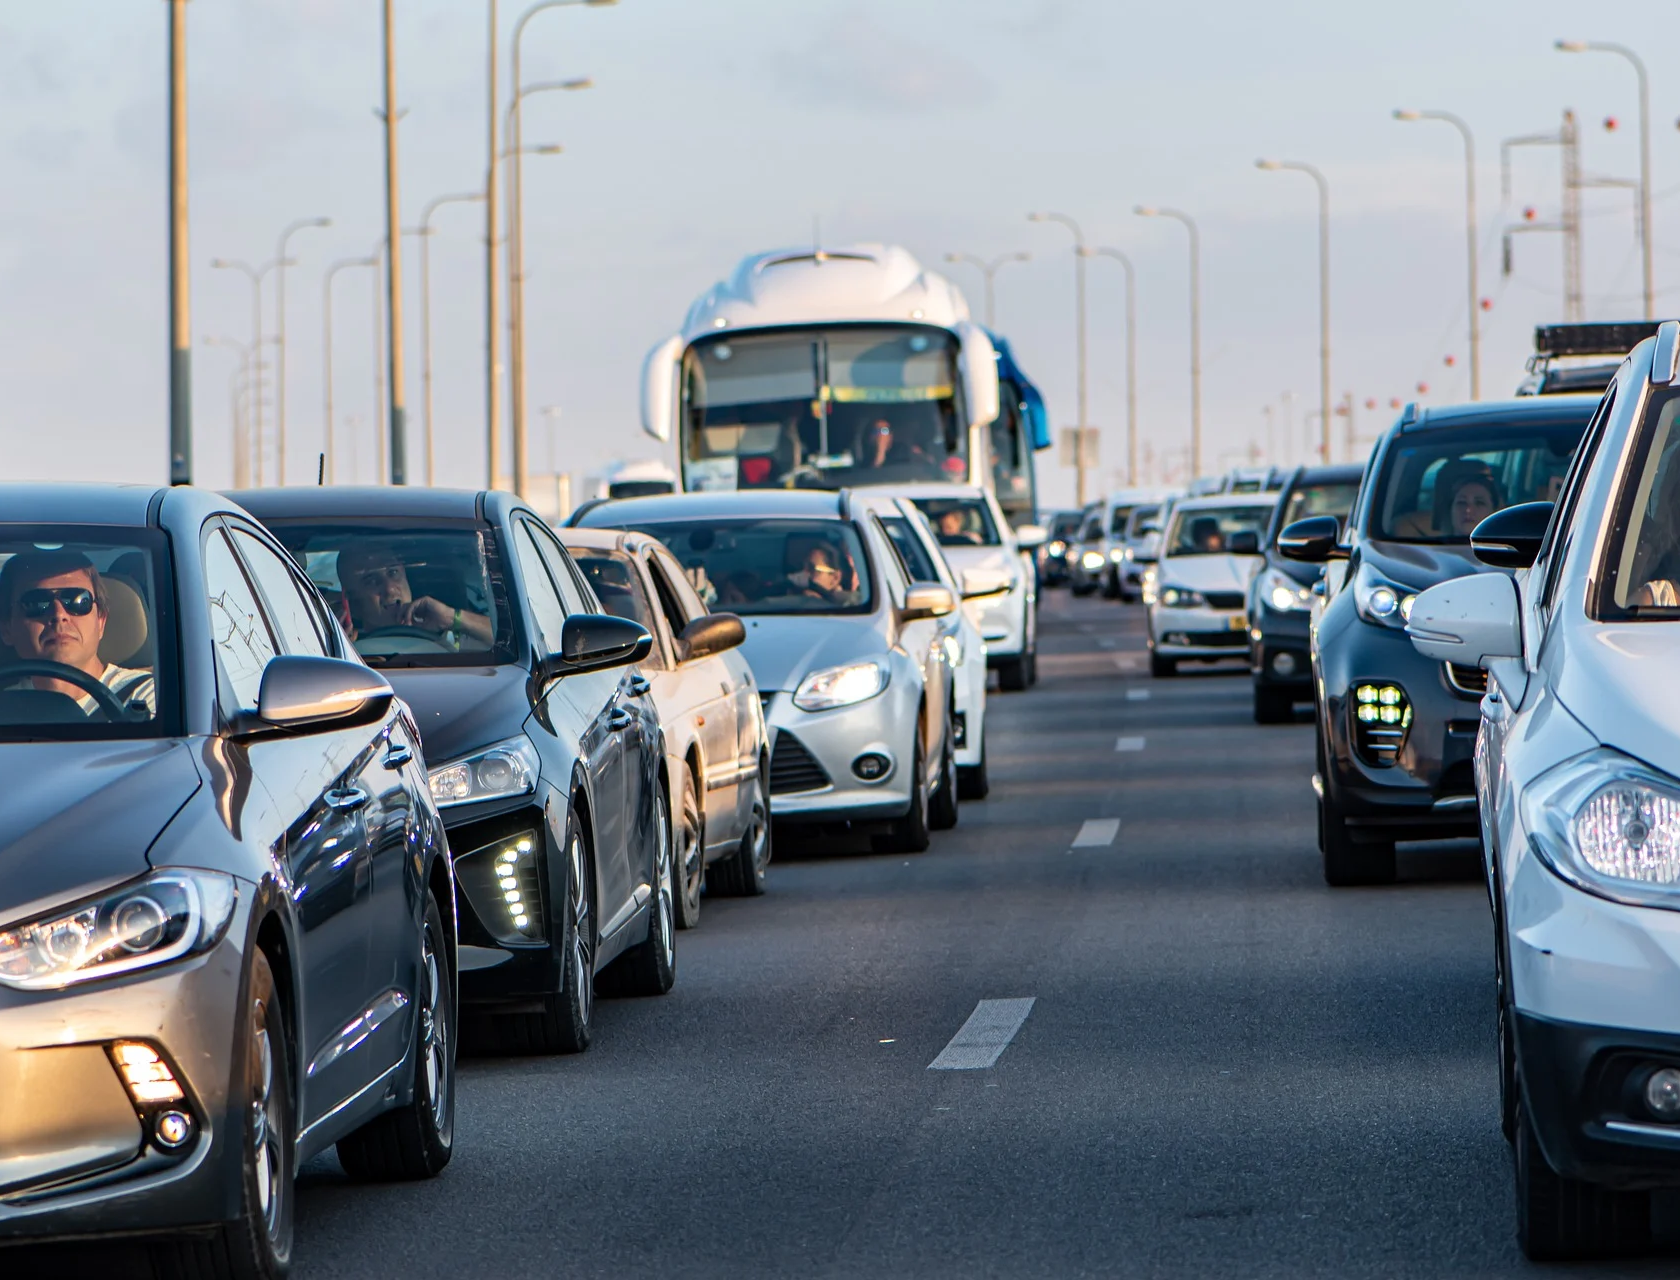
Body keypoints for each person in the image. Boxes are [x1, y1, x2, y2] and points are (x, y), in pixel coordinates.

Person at [0, 549, 155, 717]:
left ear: (101, 621)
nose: (59, 614)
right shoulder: (4, 707)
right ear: (6, 628)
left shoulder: (149, 697)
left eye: (78, 600)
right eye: (35, 603)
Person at [336, 539, 493, 649]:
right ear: (353, 605)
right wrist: (338, 647)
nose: (390, 589)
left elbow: (510, 643)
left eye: (393, 572)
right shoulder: (344, 653)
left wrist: (452, 618)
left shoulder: (452, 636)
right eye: (371, 581)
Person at [790, 544, 854, 606]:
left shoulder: (848, 605)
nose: (805, 573)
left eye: (812, 568)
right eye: (803, 566)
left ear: (835, 578)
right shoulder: (789, 598)